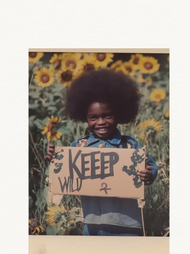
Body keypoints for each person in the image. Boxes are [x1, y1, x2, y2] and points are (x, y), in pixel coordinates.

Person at [45, 68, 158, 236]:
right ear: (85, 118)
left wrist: (148, 175)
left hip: (128, 224)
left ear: (119, 114)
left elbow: (150, 167)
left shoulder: (129, 145)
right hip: (92, 224)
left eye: (107, 116)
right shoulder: (79, 146)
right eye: (93, 118)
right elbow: (65, 169)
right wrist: (55, 159)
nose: (101, 122)